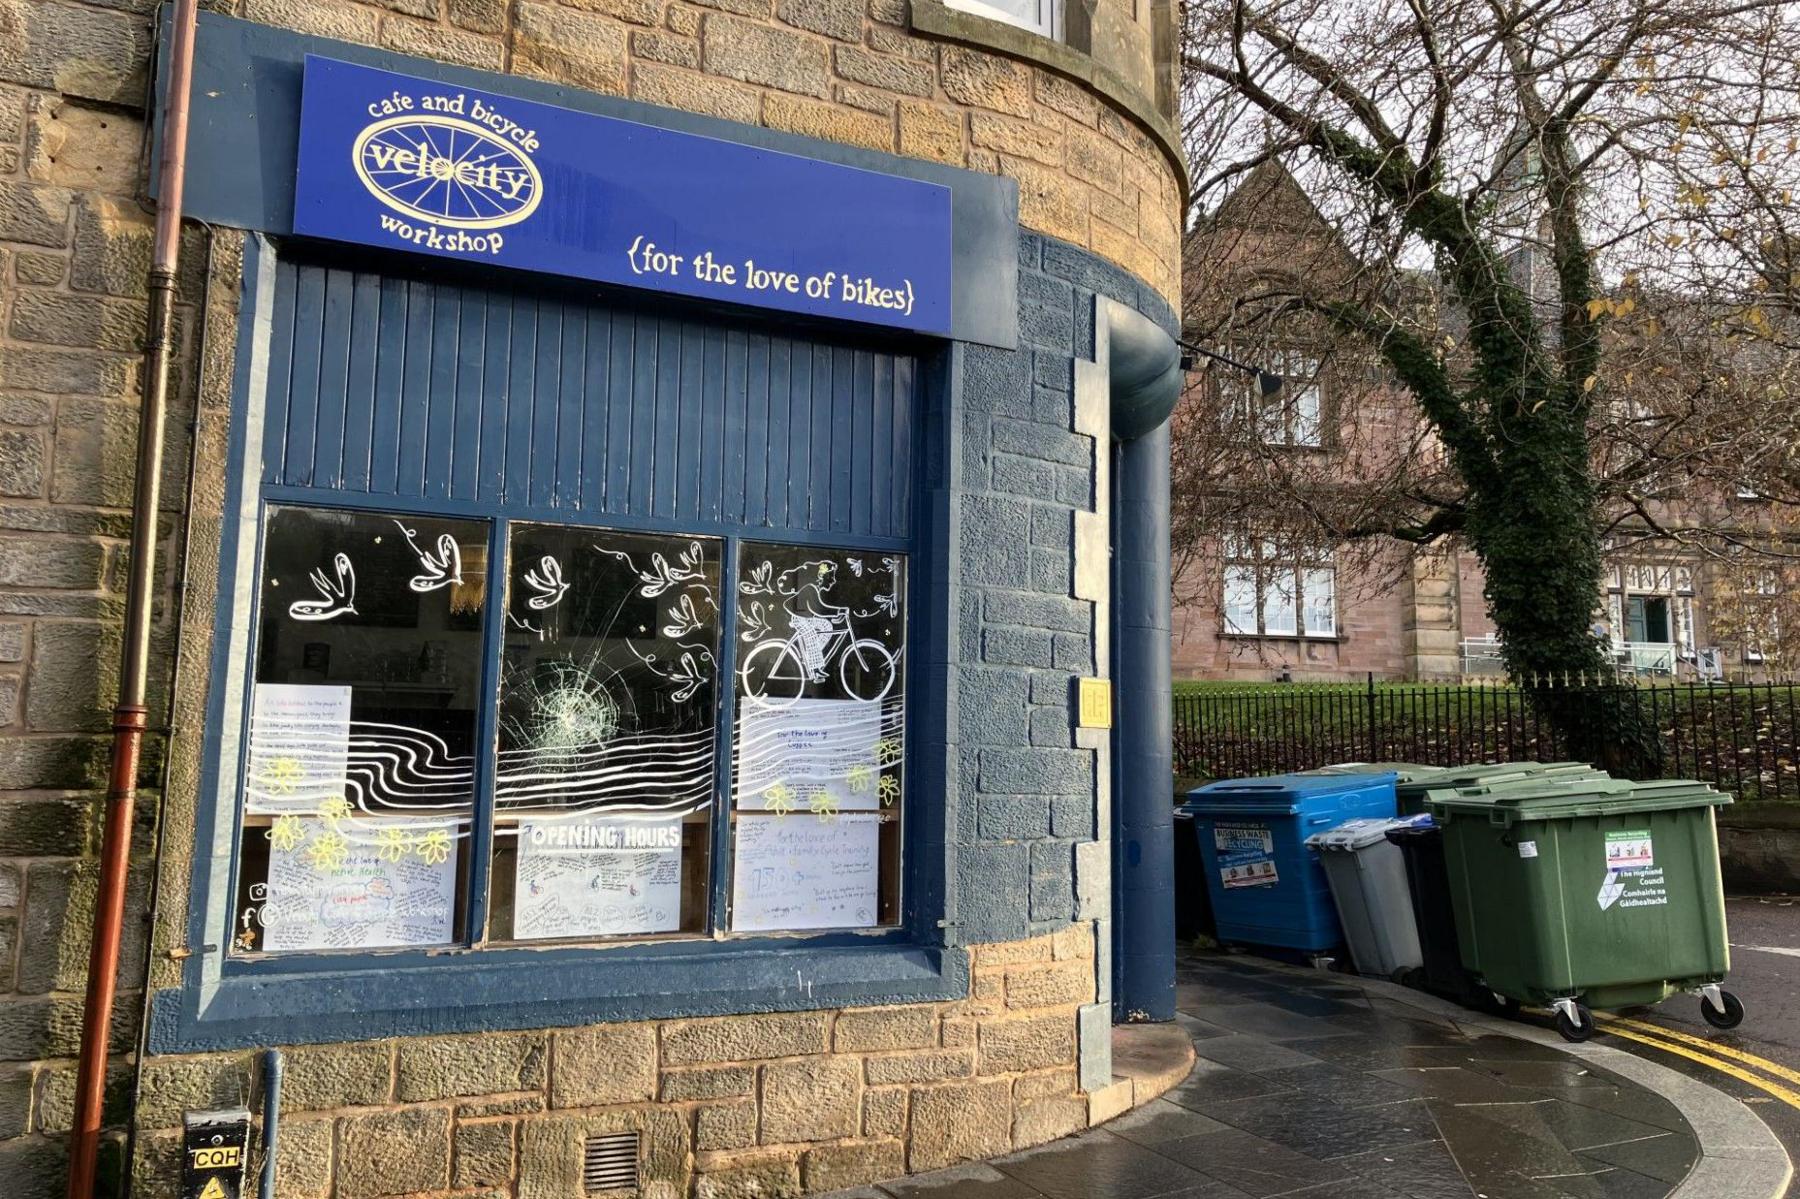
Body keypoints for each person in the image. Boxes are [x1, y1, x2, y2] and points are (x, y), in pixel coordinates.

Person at [776, 561, 849, 683]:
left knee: (827, 625)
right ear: (823, 576)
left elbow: (819, 609)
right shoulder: (810, 588)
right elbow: (817, 608)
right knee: (811, 636)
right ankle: (815, 670)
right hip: (799, 619)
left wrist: (837, 613)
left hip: (807, 618)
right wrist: (838, 611)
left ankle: (812, 655)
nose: (833, 580)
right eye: (831, 576)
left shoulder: (817, 589)